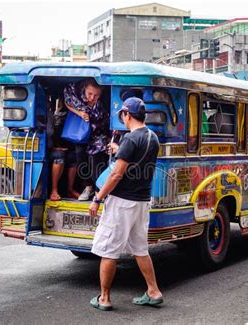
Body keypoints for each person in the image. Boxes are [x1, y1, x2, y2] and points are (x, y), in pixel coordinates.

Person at [89, 97, 163, 311]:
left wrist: (97, 198)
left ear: (127, 115)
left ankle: (104, 298)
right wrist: (119, 148)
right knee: (140, 249)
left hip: (122, 202)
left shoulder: (130, 140)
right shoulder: (153, 137)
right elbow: (135, 157)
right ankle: (153, 291)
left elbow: (116, 175)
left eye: (123, 115)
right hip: (141, 202)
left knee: (109, 250)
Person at [63, 79, 110, 200]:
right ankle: (88, 186)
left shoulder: (104, 102)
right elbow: (67, 103)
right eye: (90, 94)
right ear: (84, 89)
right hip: (81, 133)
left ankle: (99, 190)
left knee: (96, 160)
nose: (92, 97)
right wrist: (79, 113)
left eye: (96, 95)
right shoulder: (75, 91)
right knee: (80, 157)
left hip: (99, 134)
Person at [46, 97, 78, 200]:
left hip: (52, 148)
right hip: (42, 150)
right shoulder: (35, 117)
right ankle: (54, 191)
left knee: (72, 156)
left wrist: (57, 147)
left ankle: (70, 190)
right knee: (59, 156)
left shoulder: (50, 115)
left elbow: (53, 135)